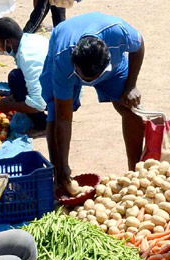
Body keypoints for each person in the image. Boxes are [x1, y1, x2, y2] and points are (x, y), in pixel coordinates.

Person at [41, 13, 146, 190]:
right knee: (54, 113)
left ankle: (135, 173)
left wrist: (131, 85)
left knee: (132, 111)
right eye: (85, 78)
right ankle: (60, 175)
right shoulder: (63, 61)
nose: (89, 83)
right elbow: (63, 119)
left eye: (94, 78)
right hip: (65, 57)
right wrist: (64, 163)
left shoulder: (118, 32)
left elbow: (139, 45)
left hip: (113, 69)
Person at [0, 17, 49, 134]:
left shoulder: (28, 57)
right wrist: (14, 98)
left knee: (15, 78)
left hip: (63, 92)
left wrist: (11, 106)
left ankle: (42, 125)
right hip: (53, 83)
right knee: (17, 79)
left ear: (8, 42)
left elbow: (38, 103)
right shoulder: (28, 40)